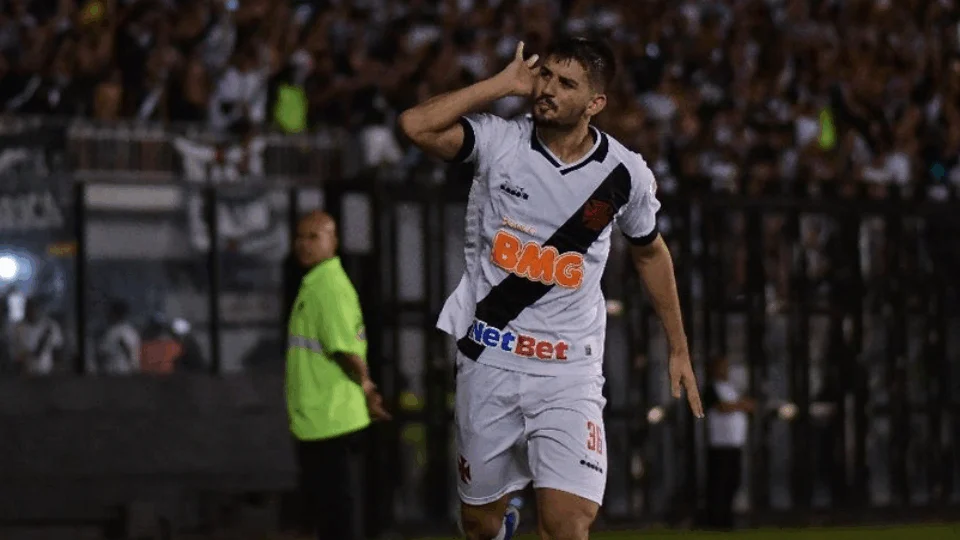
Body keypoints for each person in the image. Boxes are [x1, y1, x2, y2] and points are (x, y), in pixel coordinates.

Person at [399, 37, 704, 540]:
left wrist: (678, 346)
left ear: (595, 103)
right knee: (479, 524)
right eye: (545, 77)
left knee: (567, 525)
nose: (547, 90)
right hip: (490, 357)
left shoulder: (623, 173)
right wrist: (501, 85)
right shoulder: (500, 142)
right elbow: (414, 125)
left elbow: (650, 252)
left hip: (569, 369)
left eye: (567, 84)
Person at [285, 210, 391, 540]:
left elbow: (345, 350)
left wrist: (367, 387)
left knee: (338, 521)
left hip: (333, 421)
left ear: (334, 242)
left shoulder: (327, 287)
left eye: (313, 237)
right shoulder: (316, 282)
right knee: (331, 518)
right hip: (320, 421)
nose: (304, 245)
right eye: (300, 237)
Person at [703, 355, 754, 530]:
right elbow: (722, 407)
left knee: (733, 481)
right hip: (720, 444)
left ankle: (727, 519)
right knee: (719, 484)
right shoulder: (711, 388)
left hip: (734, 444)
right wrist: (740, 405)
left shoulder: (731, 388)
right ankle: (715, 521)